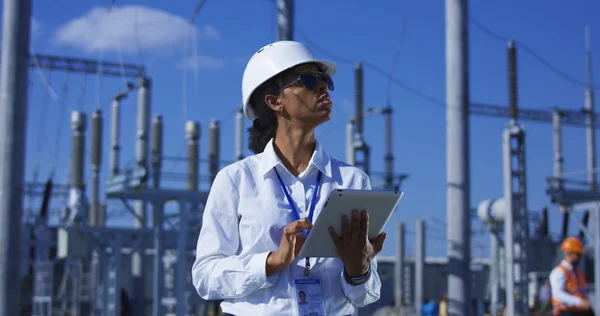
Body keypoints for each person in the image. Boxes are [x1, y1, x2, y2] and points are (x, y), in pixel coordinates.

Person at [191, 40, 386, 315]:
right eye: (307, 80)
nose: (322, 86)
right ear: (274, 102)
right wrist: (272, 261)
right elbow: (205, 277)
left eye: (324, 80)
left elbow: (367, 295)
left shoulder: (352, 180)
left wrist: (359, 269)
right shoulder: (236, 180)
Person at [549, 236, 594, 316]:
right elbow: (558, 294)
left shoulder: (578, 272)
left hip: (580, 311)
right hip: (566, 312)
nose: (579, 258)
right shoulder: (559, 272)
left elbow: (582, 292)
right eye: (578, 255)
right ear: (569, 253)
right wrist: (579, 302)